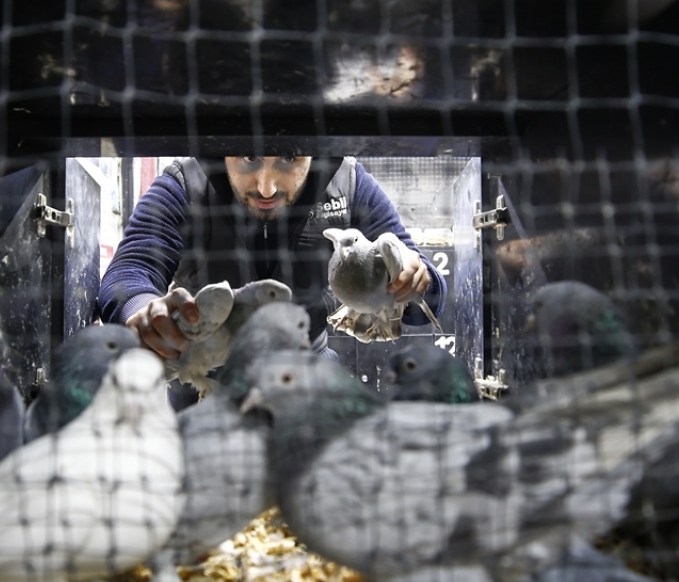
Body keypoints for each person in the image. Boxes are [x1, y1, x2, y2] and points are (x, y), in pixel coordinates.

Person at [98, 155, 447, 405]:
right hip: (205, 391)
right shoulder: (185, 185)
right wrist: (145, 313)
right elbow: (129, 270)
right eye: (248, 158)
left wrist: (415, 281)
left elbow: (428, 297)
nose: (267, 187)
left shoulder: (349, 183)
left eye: (288, 159)